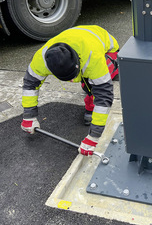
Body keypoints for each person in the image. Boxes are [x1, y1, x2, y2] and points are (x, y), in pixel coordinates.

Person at [21, 25, 119, 156]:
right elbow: (30, 85)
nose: (72, 82)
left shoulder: (93, 57)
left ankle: (90, 106)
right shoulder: (42, 58)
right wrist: (29, 116)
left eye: (73, 77)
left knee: (92, 86)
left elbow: (104, 95)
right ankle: (89, 97)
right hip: (77, 40)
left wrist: (94, 137)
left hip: (108, 48)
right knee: (87, 80)